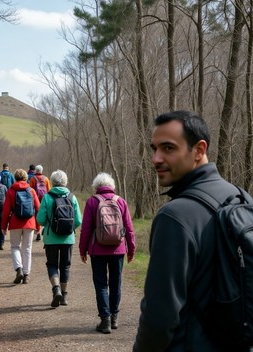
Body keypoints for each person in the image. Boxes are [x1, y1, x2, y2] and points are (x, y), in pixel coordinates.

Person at [133, 111, 238, 352]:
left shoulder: (176, 216)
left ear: (199, 150)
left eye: (168, 148)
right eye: (154, 148)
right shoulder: (241, 198)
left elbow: (159, 318)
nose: (156, 159)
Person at [79, 172, 136, 334]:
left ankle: (105, 321)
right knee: (116, 283)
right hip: (118, 250)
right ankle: (114, 318)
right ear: (112, 186)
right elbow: (130, 229)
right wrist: (131, 249)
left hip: (97, 250)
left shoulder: (92, 202)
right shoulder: (121, 201)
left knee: (101, 285)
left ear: (96, 187)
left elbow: (86, 230)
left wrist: (82, 250)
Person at [37, 170, 82, 308]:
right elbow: (78, 220)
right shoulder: (72, 197)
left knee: (52, 265)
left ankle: (56, 289)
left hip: (51, 239)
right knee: (65, 265)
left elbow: (40, 220)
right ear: (65, 182)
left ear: (52, 182)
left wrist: (50, 224)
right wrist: (68, 228)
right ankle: (64, 295)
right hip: (68, 239)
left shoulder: (47, 197)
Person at [1, 169, 40, 284]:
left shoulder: (11, 191)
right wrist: (38, 226)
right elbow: (38, 209)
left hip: (15, 223)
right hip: (30, 222)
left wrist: (4, 226)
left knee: (15, 247)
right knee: (27, 249)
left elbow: (6, 211)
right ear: (25, 178)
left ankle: (19, 269)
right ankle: (26, 275)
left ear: (15, 178)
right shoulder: (31, 191)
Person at [29, 164, 51, 241]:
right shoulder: (46, 179)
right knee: (45, 214)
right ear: (41, 170)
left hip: (36, 199)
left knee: (36, 215)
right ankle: (44, 231)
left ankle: (37, 232)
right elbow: (49, 191)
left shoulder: (33, 179)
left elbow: (30, 191)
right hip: (44, 199)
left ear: (36, 171)